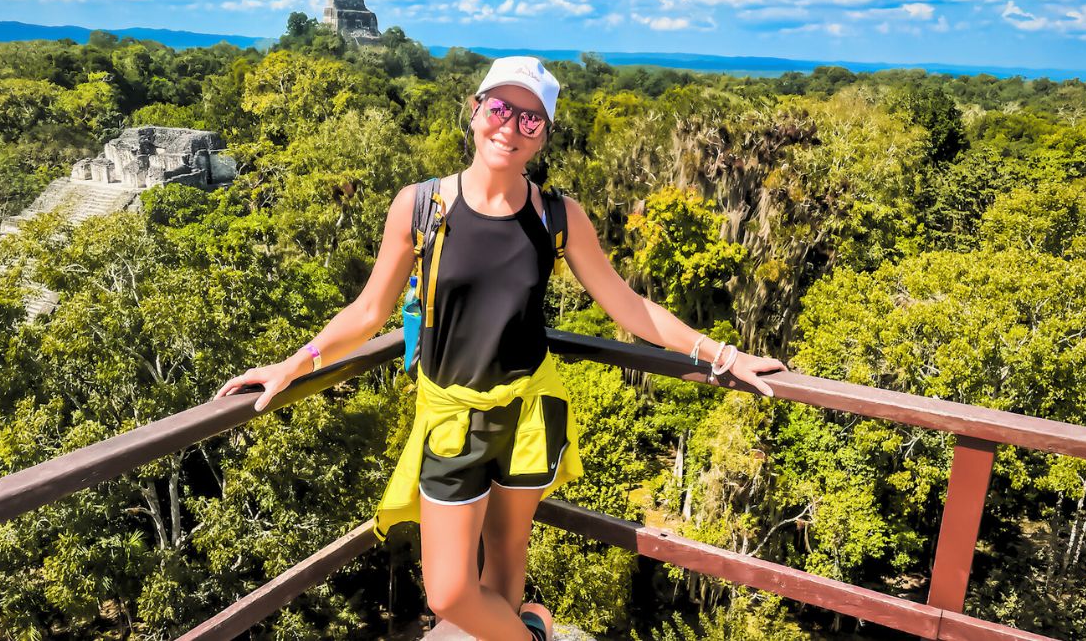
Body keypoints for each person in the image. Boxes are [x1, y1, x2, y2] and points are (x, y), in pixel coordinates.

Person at [216, 56, 787, 640]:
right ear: (474, 112)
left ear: (543, 136)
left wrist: (722, 353)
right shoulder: (421, 207)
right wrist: (294, 364)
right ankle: (533, 636)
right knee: (449, 592)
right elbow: (369, 311)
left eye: (530, 120)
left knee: (507, 564)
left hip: (530, 411)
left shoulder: (557, 215)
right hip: (451, 418)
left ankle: (518, 626)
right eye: (499, 109)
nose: (510, 128)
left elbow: (628, 306)